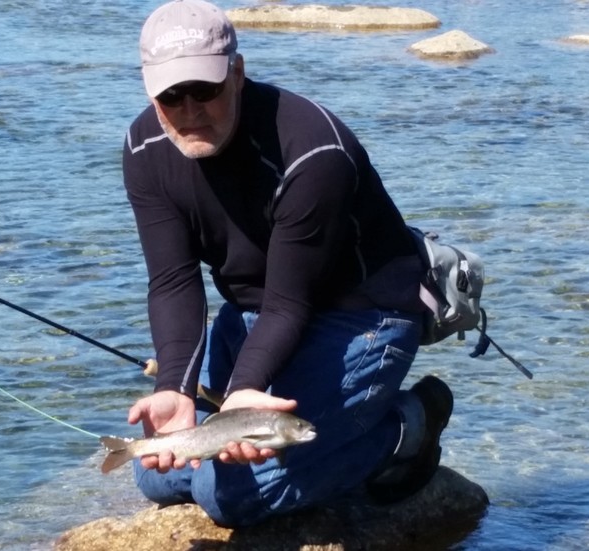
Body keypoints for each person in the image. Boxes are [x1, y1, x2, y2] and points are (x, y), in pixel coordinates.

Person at [120, 0, 454, 527]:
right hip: (256, 313)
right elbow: (173, 281)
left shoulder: (311, 150)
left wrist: (243, 397)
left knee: (229, 496)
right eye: (171, 96)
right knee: (157, 471)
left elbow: (288, 301)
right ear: (150, 91)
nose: (189, 110)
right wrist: (175, 389)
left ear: (237, 72)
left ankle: (408, 424)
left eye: (205, 90)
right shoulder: (144, 148)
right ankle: (335, 430)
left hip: (362, 315)